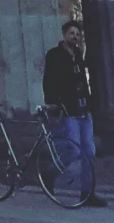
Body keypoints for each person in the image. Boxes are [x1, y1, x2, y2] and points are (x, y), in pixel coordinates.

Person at [42, 18, 107, 207]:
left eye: (78, 34)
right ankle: (50, 173)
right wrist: (52, 103)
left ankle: (87, 192)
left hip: (84, 110)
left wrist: (90, 103)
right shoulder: (54, 55)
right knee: (74, 151)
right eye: (72, 33)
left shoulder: (78, 54)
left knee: (89, 151)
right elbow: (49, 80)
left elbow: (82, 81)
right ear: (64, 35)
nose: (75, 37)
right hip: (68, 109)